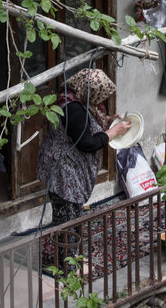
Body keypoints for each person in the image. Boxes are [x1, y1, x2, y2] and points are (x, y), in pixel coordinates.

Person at [37, 68, 131, 269]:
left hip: (72, 169)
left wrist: (108, 122)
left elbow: (88, 124)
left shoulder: (78, 101)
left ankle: (73, 258)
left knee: (74, 214)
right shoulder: (73, 109)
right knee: (66, 218)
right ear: (88, 91)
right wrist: (113, 132)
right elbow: (86, 143)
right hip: (63, 170)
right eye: (98, 96)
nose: (100, 101)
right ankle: (67, 268)